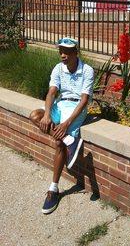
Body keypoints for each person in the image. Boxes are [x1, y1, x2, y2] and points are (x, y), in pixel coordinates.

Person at [29, 37, 94, 214]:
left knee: (58, 143)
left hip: (76, 108)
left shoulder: (87, 70)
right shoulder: (58, 68)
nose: (62, 55)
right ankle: (69, 140)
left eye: (66, 52)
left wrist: (66, 123)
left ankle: (53, 189)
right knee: (35, 115)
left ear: (75, 53)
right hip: (60, 103)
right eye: (60, 52)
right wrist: (48, 115)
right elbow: (51, 92)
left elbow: (84, 100)